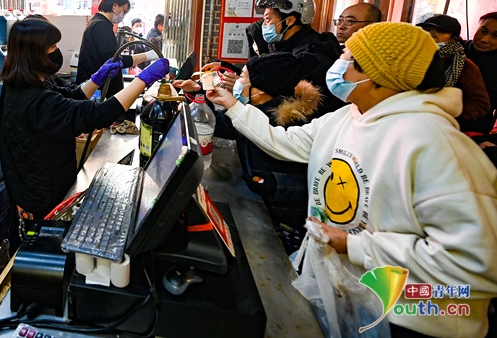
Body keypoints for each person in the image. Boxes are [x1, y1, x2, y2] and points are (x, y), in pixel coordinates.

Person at [206, 22, 497, 337]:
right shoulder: (350, 116)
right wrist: (232, 105)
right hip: (352, 297)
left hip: (411, 318)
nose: (336, 66)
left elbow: (476, 263)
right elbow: (286, 142)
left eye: (347, 58)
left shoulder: (434, 143)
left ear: (381, 78)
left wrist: (356, 245)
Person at [0, 16, 170, 224]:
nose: (57, 51)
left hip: (45, 179)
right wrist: (143, 80)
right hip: (40, 197)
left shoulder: (28, 82)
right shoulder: (35, 101)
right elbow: (96, 114)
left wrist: (97, 78)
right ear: (34, 54)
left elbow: (71, 96)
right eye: (52, 47)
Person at [207, 52, 324, 254]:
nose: (237, 81)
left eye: (242, 77)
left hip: (283, 217)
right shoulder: (260, 107)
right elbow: (226, 126)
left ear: (259, 90)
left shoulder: (273, 120)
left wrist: (232, 105)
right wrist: (199, 97)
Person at [255, 0, 343, 115]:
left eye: (268, 19)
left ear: (290, 20)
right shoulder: (283, 47)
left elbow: (288, 104)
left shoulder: (310, 58)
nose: (264, 25)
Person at [76, 0, 159, 99]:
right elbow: (115, 60)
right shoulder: (101, 26)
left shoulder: (99, 23)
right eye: (123, 11)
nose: (123, 16)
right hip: (99, 93)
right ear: (114, 6)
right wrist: (148, 56)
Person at [417, 14, 491, 134]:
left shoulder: (464, 65)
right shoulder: (414, 56)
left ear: (453, 38)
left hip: (443, 127)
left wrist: (446, 112)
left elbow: (481, 104)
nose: (432, 34)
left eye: (440, 31)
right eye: (428, 30)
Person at [465, 11, 497, 128]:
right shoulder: (458, 49)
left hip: (474, 124)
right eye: (483, 31)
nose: (484, 39)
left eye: (495, 36)